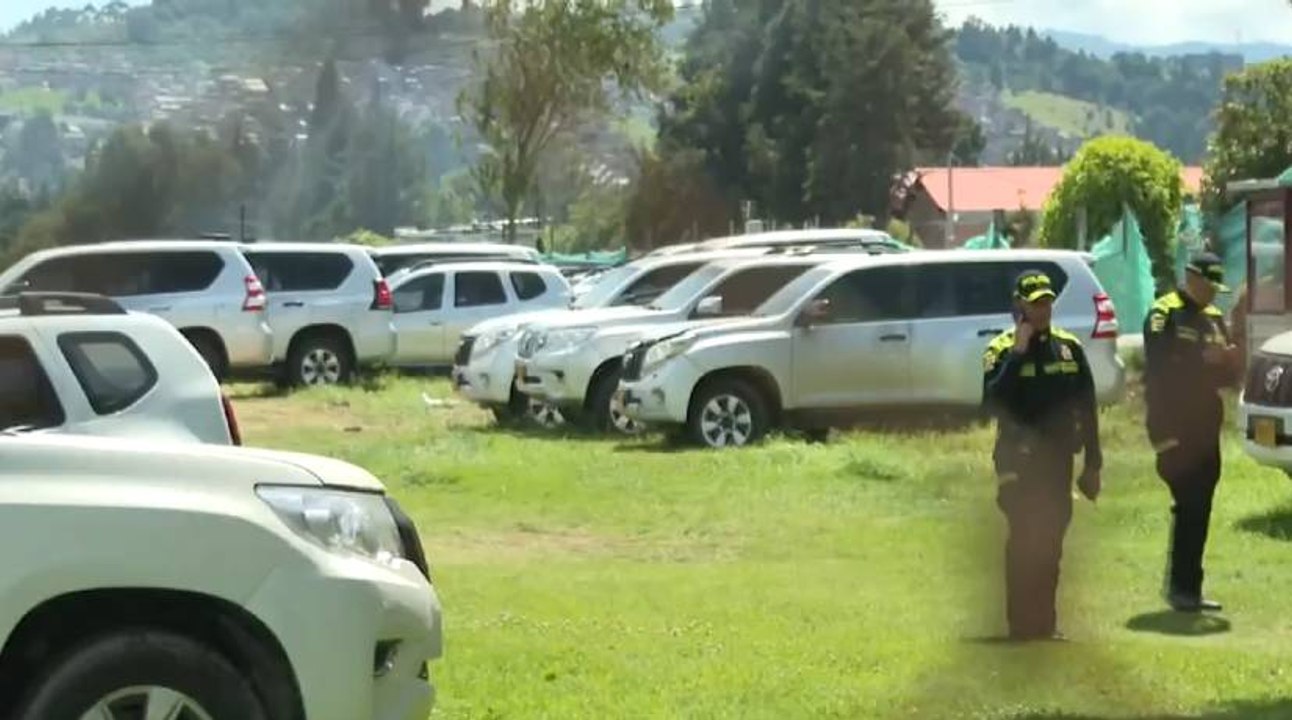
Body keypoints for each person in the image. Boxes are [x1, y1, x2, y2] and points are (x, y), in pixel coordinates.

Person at [982, 269, 1103, 641]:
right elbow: (992, 401)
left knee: (1051, 540)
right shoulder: (1000, 350)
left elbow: (1087, 407)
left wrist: (1094, 463)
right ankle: (1020, 624)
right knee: (1023, 538)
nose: (1043, 309)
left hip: (1058, 461)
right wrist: (1018, 352)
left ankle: (1045, 624)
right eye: (1035, 304)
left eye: (1048, 302)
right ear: (1019, 307)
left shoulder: (1069, 348)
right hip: (1017, 459)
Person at [1142, 252, 1244, 613]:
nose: (1212, 294)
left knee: (1199, 507)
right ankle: (1180, 588)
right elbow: (1158, 367)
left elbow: (1226, 379)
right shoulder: (1164, 312)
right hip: (1174, 425)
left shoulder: (1215, 318)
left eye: (1217, 287)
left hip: (1206, 428)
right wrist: (1202, 360)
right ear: (1191, 277)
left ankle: (1188, 588)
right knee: (1189, 502)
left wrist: (1230, 366)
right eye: (1207, 285)